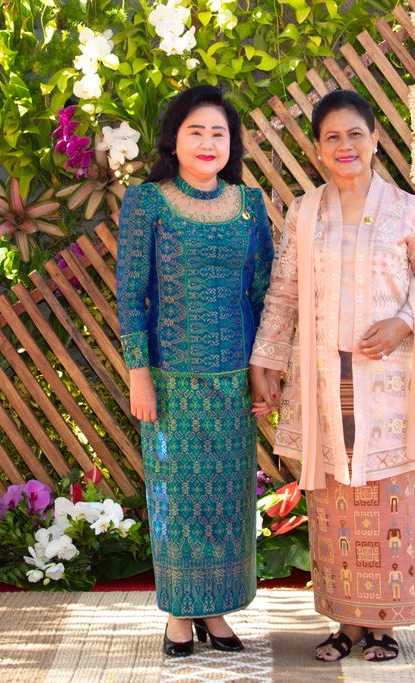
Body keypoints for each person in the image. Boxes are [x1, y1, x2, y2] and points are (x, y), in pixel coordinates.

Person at [249, 89, 415, 662]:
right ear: (317, 150)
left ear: (375, 141)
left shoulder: (407, 210)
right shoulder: (303, 213)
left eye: (355, 135)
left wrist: (402, 323)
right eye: (332, 137)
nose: (345, 146)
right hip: (320, 383)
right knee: (334, 500)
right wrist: (265, 362)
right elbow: (284, 294)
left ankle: (384, 625)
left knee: (387, 501)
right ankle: (346, 623)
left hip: (385, 384)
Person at [116, 85, 274, 657]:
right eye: (196, 131)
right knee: (175, 499)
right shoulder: (147, 202)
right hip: (169, 384)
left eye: (219, 133)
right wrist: (139, 375)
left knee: (229, 499)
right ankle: (180, 617)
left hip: (233, 380)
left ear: (231, 144)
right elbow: (131, 294)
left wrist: (262, 372)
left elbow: (262, 294)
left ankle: (216, 611)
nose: (208, 142)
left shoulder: (249, 204)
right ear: (174, 140)